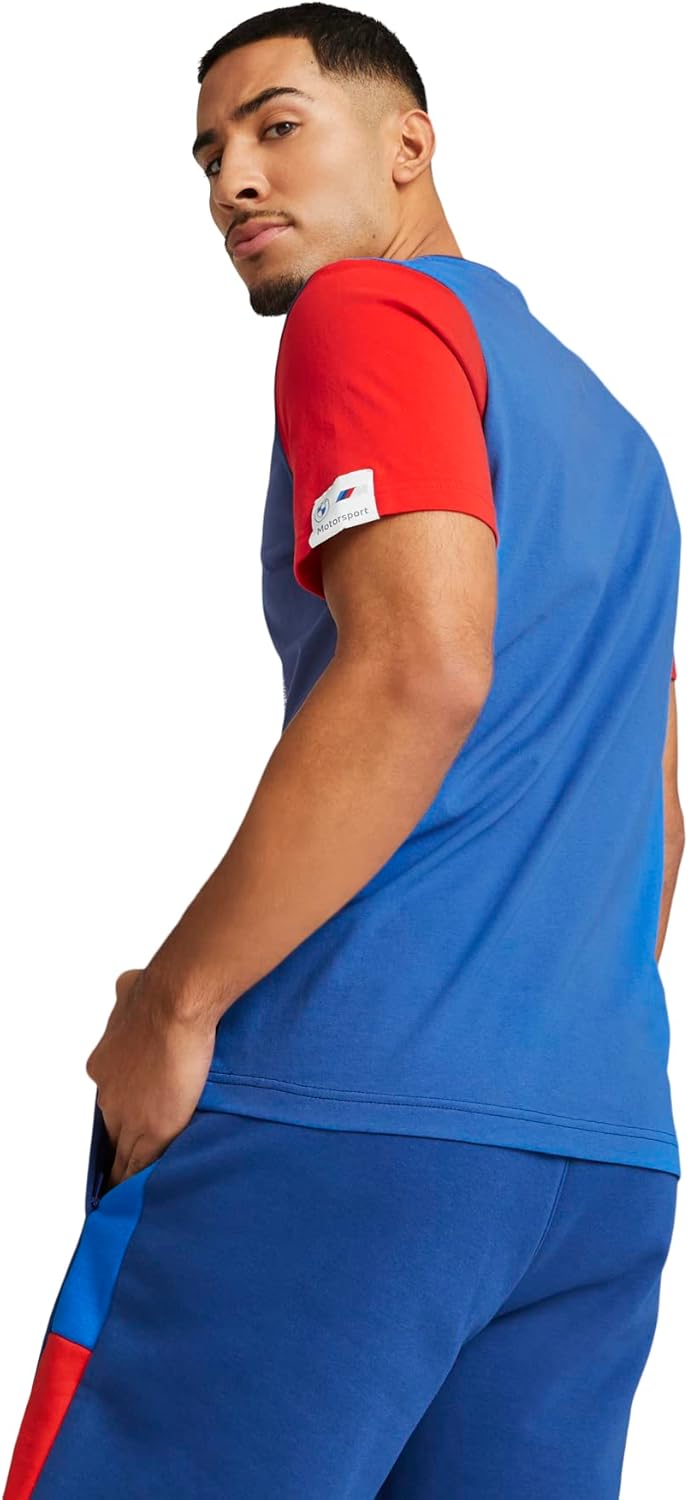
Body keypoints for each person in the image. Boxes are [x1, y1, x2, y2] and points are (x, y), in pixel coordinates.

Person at [4, 5, 683, 1497]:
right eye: (208, 156)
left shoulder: (368, 315)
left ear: (409, 145)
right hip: (602, 1153)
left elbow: (418, 673)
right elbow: (660, 815)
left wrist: (177, 1004)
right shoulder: (619, 441)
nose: (233, 180)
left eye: (277, 126)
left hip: (346, 1125)